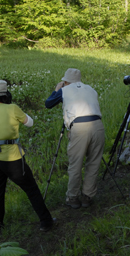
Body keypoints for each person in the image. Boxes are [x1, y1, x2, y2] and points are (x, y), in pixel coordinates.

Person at [0, 79, 55, 234]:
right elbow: (30, 123)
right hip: (12, 159)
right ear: (4, 95)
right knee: (31, 188)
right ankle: (46, 221)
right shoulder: (12, 108)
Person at [45, 68, 105, 209]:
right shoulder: (91, 89)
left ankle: (72, 197)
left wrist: (56, 90)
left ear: (65, 81)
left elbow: (48, 104)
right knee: (93, 162)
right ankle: (87, 196)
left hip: (79, 128)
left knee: (75, 164)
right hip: (98, 126)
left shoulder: (64, 90)